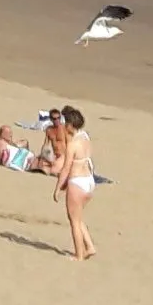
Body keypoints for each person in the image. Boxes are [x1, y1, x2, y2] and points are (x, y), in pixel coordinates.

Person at [53, 107, 96, 260]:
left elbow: (65, 168)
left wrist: (58, 188)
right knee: (78, 217)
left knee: (74, 221)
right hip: (89, 181)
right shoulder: (85, 137)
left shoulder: (73, 145)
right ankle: (89, 246)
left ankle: (79, 255)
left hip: (77, 182)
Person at [38, 108, 67, 174]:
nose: (57, 120)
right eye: (54, 119)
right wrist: (41, 159)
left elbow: (70, 143)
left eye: (58, 118)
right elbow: (45, 144)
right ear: (51, 119)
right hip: (53, 155)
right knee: (37, 163)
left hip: (63, 156)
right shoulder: (49, 129)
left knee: (53, 171)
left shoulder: (64, 128)